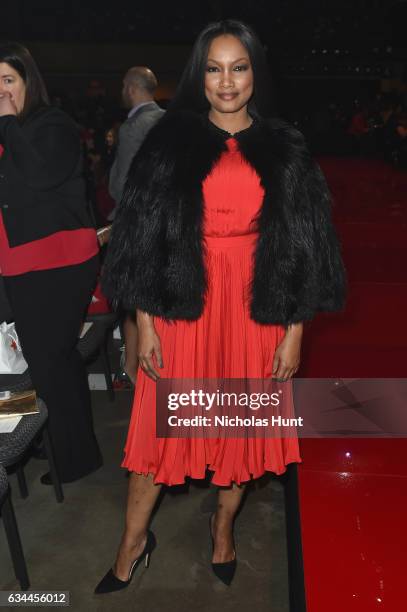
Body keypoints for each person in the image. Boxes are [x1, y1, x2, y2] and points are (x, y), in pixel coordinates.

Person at [96, 19, 346, 594]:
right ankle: (132, 542)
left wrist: (293, 331)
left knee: (240, 433)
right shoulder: (170, 142)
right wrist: (146, 323)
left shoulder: (284, 148)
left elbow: (303, 250)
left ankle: (224, 527)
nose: (226, 81)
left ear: (255, 73)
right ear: (199, 75)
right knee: (159, 436)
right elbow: (141, 243)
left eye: (238, 67)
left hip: (256, 313)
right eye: (214, 68)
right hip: (183, 309)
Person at [0, 42, 103, 484]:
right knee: (40, 362)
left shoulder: (51, 123)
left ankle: (73, 456)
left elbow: (40, 176)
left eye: (7, 81)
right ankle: (56, 438)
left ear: (28, 82)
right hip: (18, 264)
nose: (1, 92)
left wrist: (6, 121)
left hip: (55, 264)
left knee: (49, 362)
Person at [109, 66, 165, 386]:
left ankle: (132, 367)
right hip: (164, 224)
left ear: (131, 87)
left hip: (135, 224)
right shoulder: (169, 120)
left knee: (132, 301)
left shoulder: (134, 126)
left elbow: (121, 185)